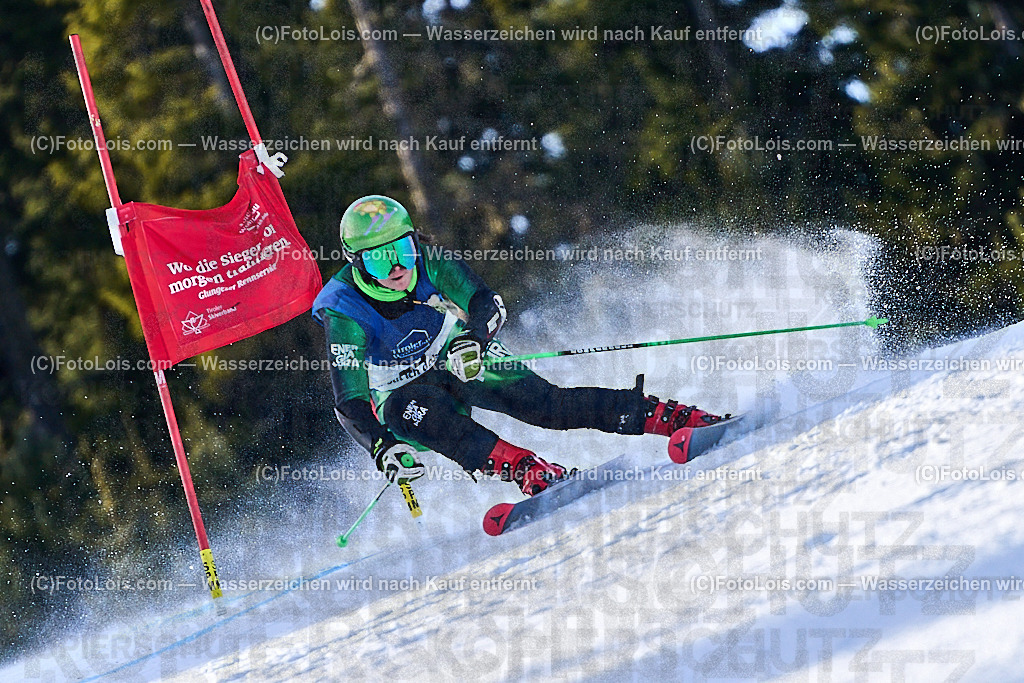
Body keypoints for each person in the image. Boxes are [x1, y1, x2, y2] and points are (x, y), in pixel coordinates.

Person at [312, 195, 726, 496]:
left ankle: (670, 417)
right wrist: (382, 448)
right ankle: (527, 468)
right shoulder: (344, 310)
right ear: (356, 262)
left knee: (545, 406)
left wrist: (474, 339)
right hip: (400, 390)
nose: (399, 266)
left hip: (457, 355)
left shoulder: (429, 260)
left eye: (403, 248)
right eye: (381, 259)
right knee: (413, 416)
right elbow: (349, 400)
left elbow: (485, 303)